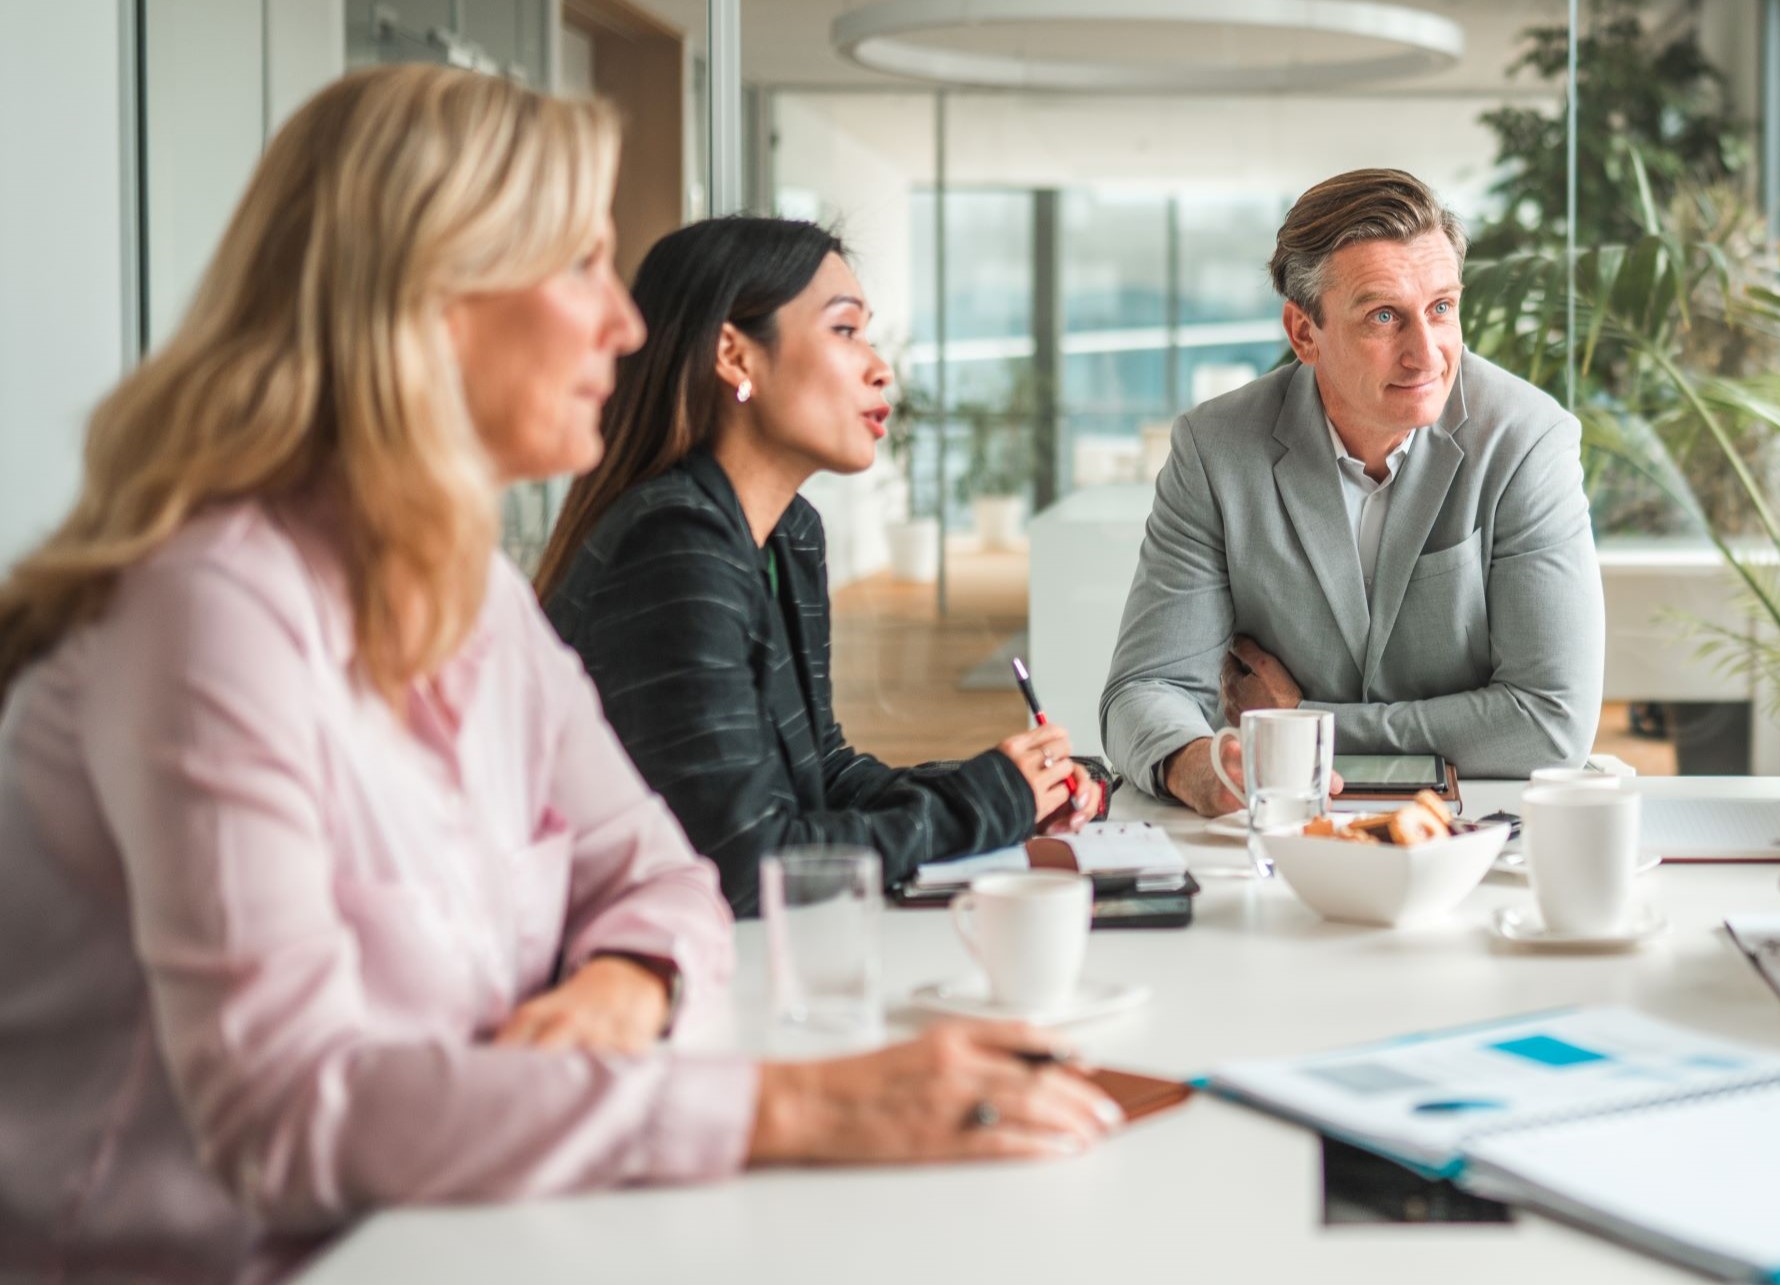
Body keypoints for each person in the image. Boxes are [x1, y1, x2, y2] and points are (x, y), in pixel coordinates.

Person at [0, 66, 1115, 1282]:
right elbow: (285, 1112)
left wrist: (630, 978)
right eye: (580, 265)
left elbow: (663, 875)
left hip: (474, 1223)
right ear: (427, 293)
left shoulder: (466, 593)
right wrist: (788, 1111)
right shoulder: (211, 609)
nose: (627, 325)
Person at [536, 217, 1101, 917]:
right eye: (844, 330)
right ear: (735, 356)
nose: (879, 365)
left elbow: (820, 773)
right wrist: (984, 802)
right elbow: (747, 860)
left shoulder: (786, 534)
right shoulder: (674, 545)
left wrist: (1015, 784)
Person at [1099, 167, 1604, 814]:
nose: (1427, 354)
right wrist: (1193, 765)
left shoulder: (1528, 442)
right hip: (1278, 821)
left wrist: (1302, 722)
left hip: (1480, 828)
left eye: (1442, 308)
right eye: (1384, 316)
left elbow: (1550, 721)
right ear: (1304, 333)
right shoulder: (1215, 449)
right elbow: (1147, 688)